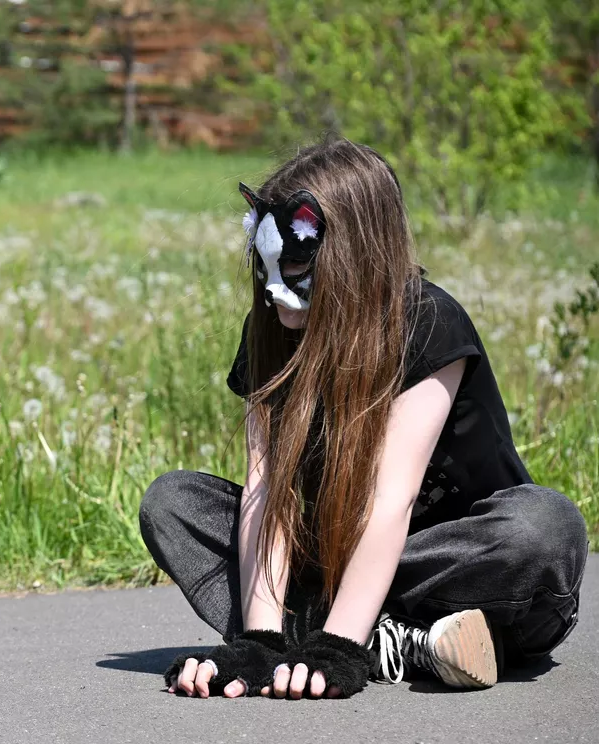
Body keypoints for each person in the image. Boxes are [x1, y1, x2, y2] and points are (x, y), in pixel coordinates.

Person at [138, 137, 588, 699]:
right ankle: (401, 642)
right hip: (336, 560)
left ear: (353, 256)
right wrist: (257, 641)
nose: (275, 287)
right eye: (265, 264)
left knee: (544, 525)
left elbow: (388, 500)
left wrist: (337, 649)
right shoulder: (274, 331)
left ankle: (351, 636)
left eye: (297, 265)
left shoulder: (426, 323)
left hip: (459, 567)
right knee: (173, 502)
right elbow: (266, 492)